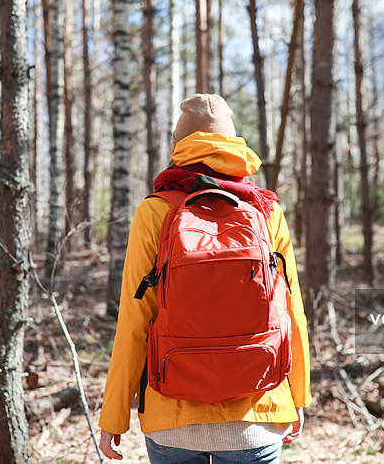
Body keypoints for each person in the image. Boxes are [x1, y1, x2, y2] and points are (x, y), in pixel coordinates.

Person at [98, 93, 311, 463]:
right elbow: (292, 311)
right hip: (256, 412)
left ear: (178, 147)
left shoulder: (155, 210)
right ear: (233, 145)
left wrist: (113, 416)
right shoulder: (266, 210)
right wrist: (298, 396)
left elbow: (134, 319)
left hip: (171, 414)